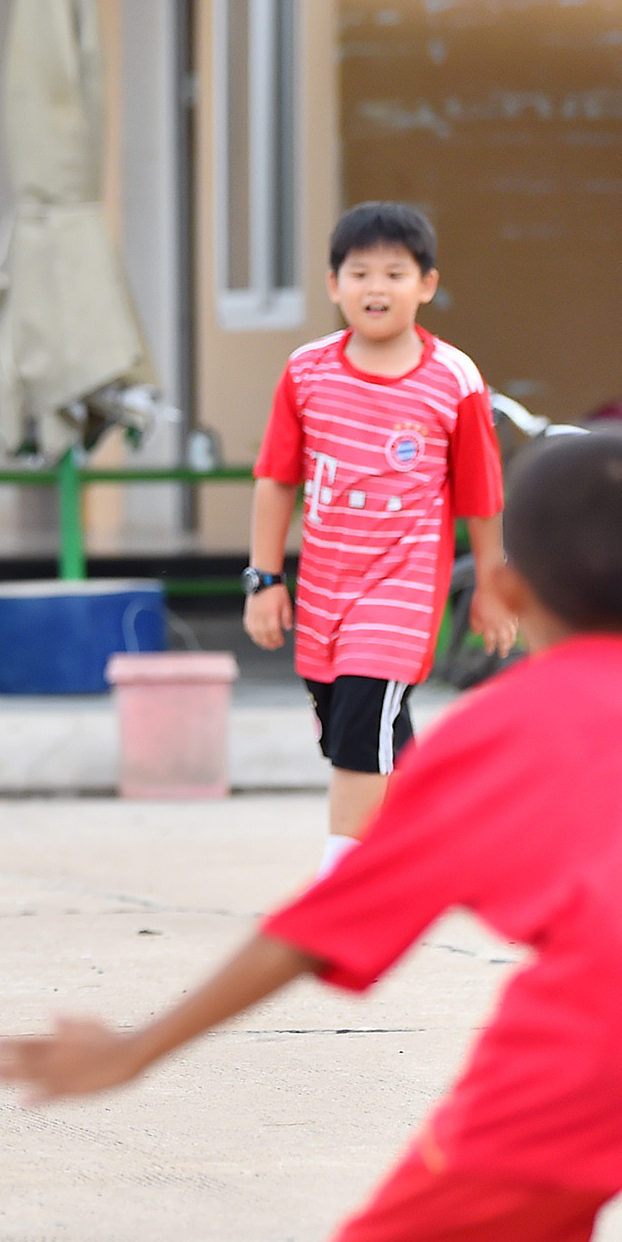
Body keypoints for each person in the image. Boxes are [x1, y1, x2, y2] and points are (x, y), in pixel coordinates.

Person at [0, 428, 622, 1242]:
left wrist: (139, 1049)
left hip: (595, 1042)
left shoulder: (499, 731)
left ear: (504, 585)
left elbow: (319, 926)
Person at [242, 203, 515, 875]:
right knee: (359, 727)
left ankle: (342, 882)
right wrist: (265, 580)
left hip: (402, 588)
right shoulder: (307, 372)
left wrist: (493, 585)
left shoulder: (454, 380)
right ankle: (445, 835)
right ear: (333, 285)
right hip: (325, 587)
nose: (376, 287)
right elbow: (276, 480)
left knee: (363, 724)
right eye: (359, 272)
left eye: (395, 272)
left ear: (426, 284)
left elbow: (481, 496)